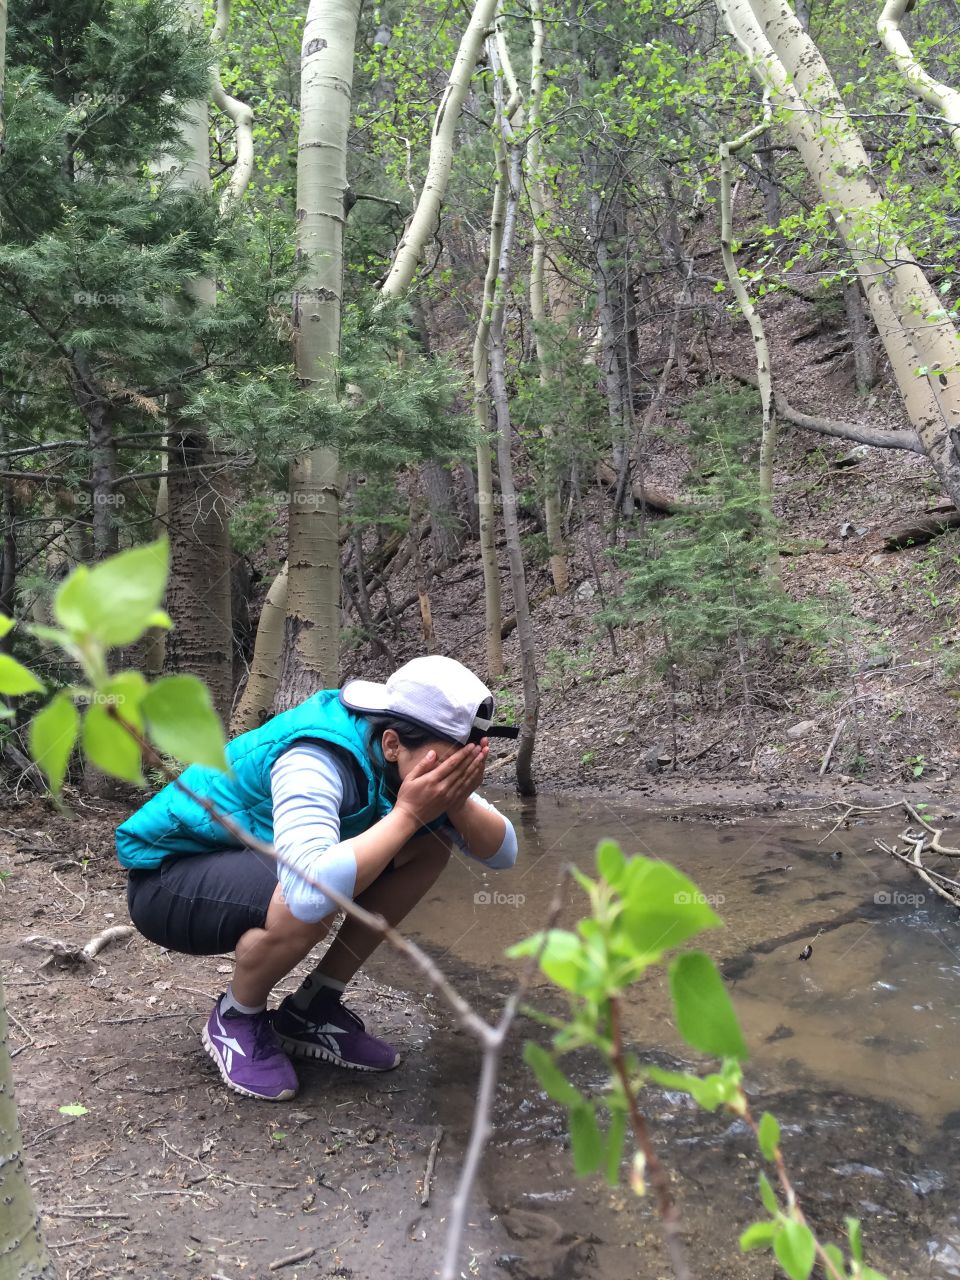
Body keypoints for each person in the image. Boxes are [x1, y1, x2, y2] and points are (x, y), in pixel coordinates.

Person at [116, 655, 519, 1102]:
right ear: (391, 744)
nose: (450, 775)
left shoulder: (410, 749)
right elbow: (307, 894)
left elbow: (503, 853)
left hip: (249, 860)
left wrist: (456, 799)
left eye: (465, 762)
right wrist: (408, 812)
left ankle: (311, 1010)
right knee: (316, 890)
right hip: (168, 881)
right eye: (446, 765)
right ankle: (236, 1018)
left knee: (429, 843)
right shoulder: (315, 757)